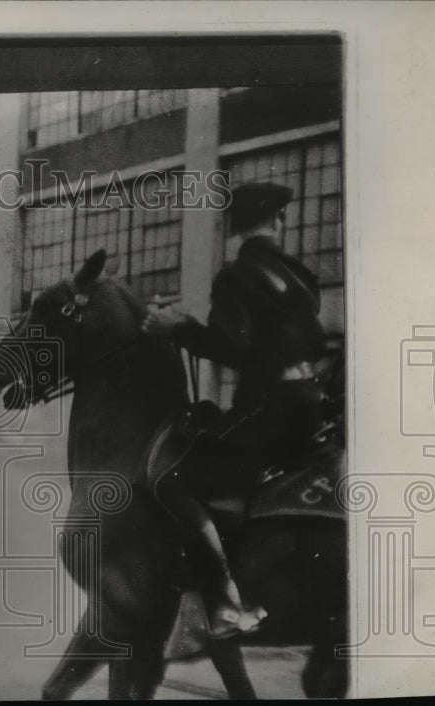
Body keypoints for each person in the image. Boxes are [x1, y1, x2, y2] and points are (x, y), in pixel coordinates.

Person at [142, 182, 326, 639]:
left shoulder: (237, 275)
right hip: (312, 406)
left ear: (228, 225)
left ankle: (227, 598)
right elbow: (312, 342)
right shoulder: (301, 276)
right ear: (279, 221)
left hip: (270, 409)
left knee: (172, 480)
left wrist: (177, 327)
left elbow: (232, 347)